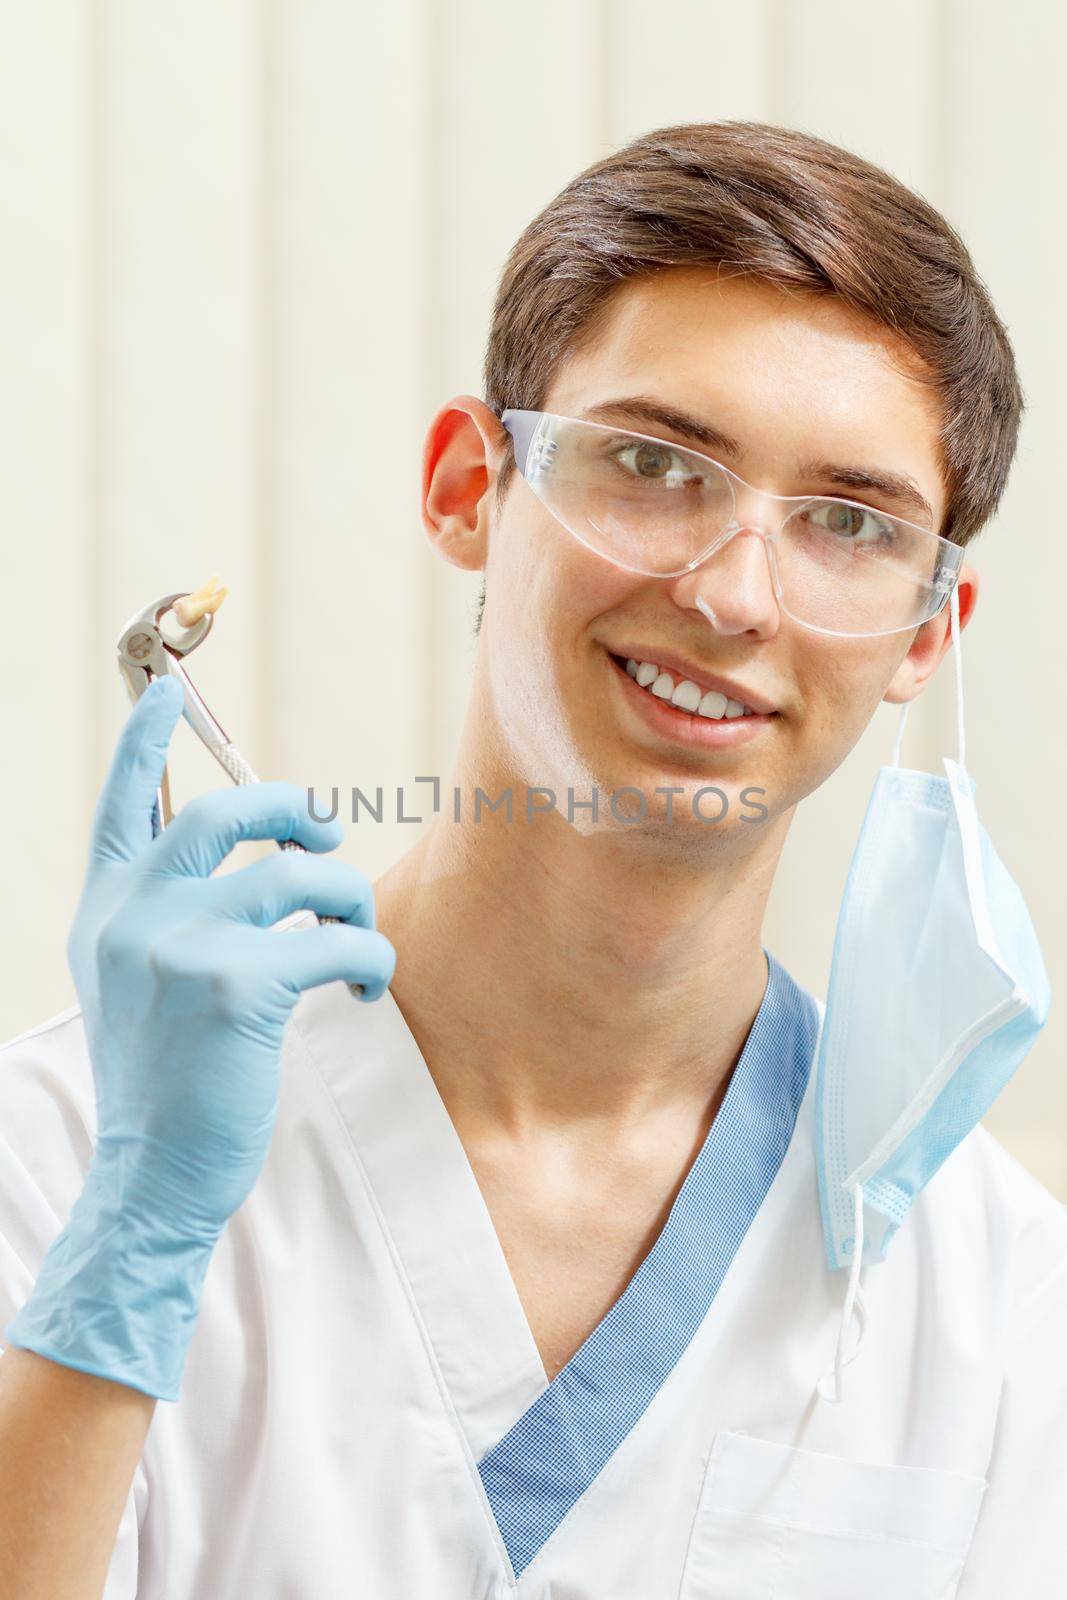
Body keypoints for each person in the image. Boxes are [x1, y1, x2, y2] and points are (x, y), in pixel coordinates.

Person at [0, 120, 1063, 1600]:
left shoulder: (994, 1304)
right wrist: (132, 1247)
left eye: (846, 523)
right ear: (464, 490)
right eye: (652, 462)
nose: (737, 594)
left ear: (927, 631)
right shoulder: (65, 1166)